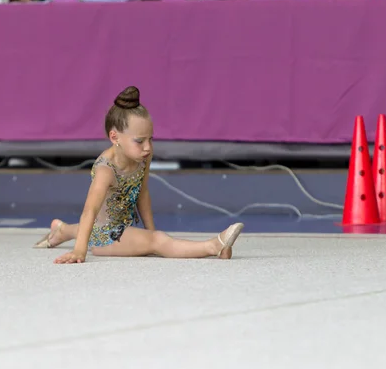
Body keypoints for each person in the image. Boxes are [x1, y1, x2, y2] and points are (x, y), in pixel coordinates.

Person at [34, 86, 244, 264]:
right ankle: (214, 245)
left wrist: (149, 231)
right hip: (104, 237)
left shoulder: (142, 157)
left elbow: (142, 192)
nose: (147, 147)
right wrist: (79, 251)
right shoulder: (105, 169)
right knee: (158, 241)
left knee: (152, 238)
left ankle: (62, 230)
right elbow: (90, 210)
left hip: (119, 226)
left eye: (150, 139)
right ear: (115, 137)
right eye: (140, 140)